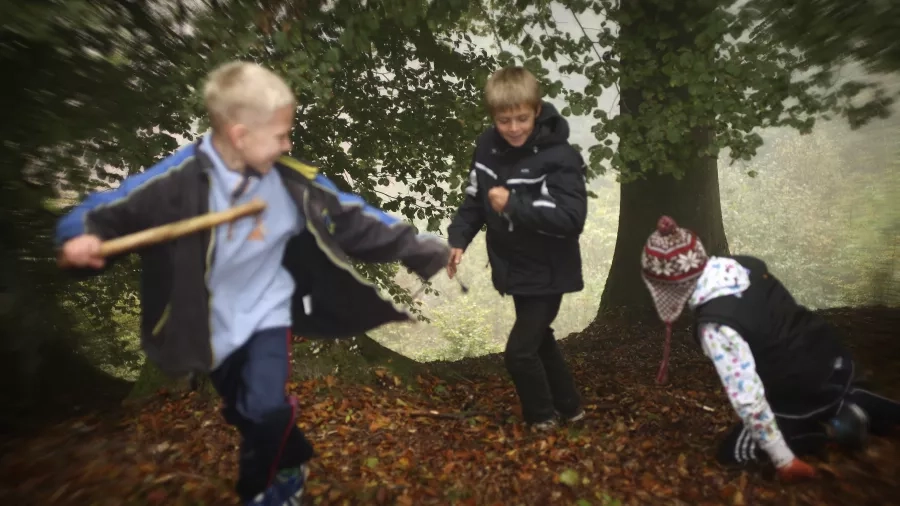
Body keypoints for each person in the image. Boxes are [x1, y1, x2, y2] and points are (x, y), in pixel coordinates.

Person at [55, 61, 450, 505]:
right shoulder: (178, 181)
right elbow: (106, 208)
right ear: (241, 136)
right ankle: (292, 454)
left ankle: (264, 491)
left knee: (263, 405)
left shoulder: (290, 179)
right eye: (281, 134)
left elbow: (354, 218)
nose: (289, 142)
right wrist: (79, 235)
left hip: (267, 314)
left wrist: (423, 249)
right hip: (209, 323)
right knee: (243, 409)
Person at [640, 215, 900, 481]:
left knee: (733, 453)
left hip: (798, 387)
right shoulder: (742, 265)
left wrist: (783, 460)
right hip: (832, 359)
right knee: (830, 387)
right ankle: (855, 403)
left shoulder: (717, 326)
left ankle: (828, 429)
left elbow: (748, 397)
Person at [447, 66, 587, 430]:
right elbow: (475, 199)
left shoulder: (560, 156)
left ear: (537, 111)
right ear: (493, 117)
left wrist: (512, 204)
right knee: (540, 340)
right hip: (513, 267)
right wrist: (459, 240)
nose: (513, 128)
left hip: (550, 268)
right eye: (504, 120)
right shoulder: (486, 148)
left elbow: (572, 217)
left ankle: (542, 420)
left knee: (519, 353)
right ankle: (571, 408)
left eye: (522, 118)